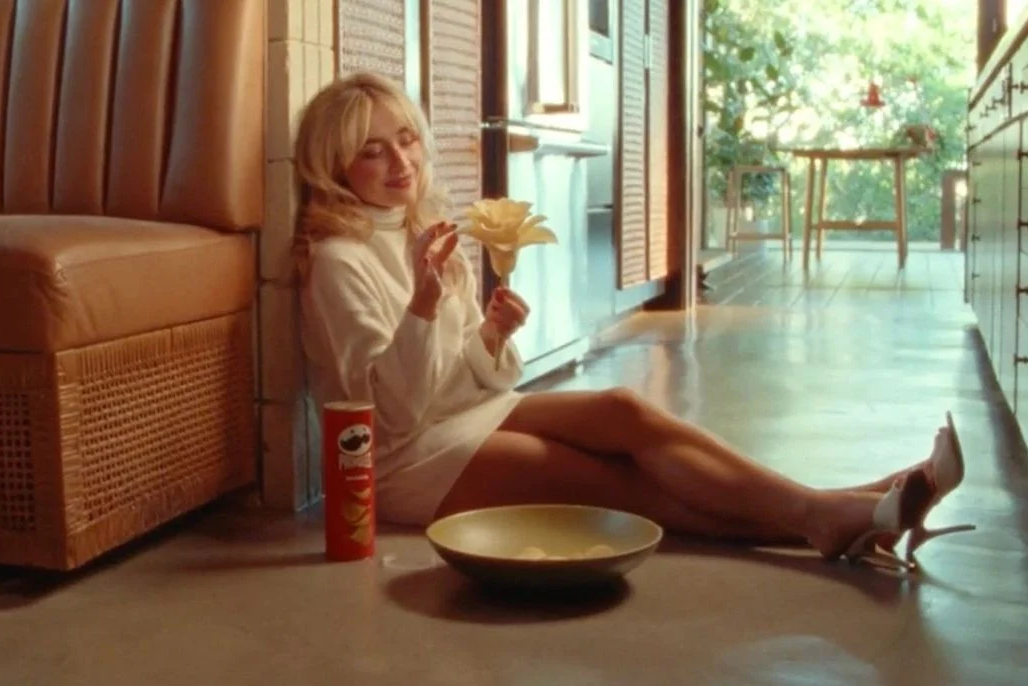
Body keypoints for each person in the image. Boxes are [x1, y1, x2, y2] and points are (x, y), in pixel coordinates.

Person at [291, 72, 973, 571]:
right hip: (405, 460)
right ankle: (830, 515)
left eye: (406, 139)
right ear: (334, 166)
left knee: (624, 410)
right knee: (622, 487)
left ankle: (833, 507)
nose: (401, 162)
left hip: (466, 416)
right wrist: (422, 304)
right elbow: (394, 414)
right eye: (372, 151)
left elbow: (470, 379)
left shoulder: (424, 230)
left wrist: (491, 336)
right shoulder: (339, 260)